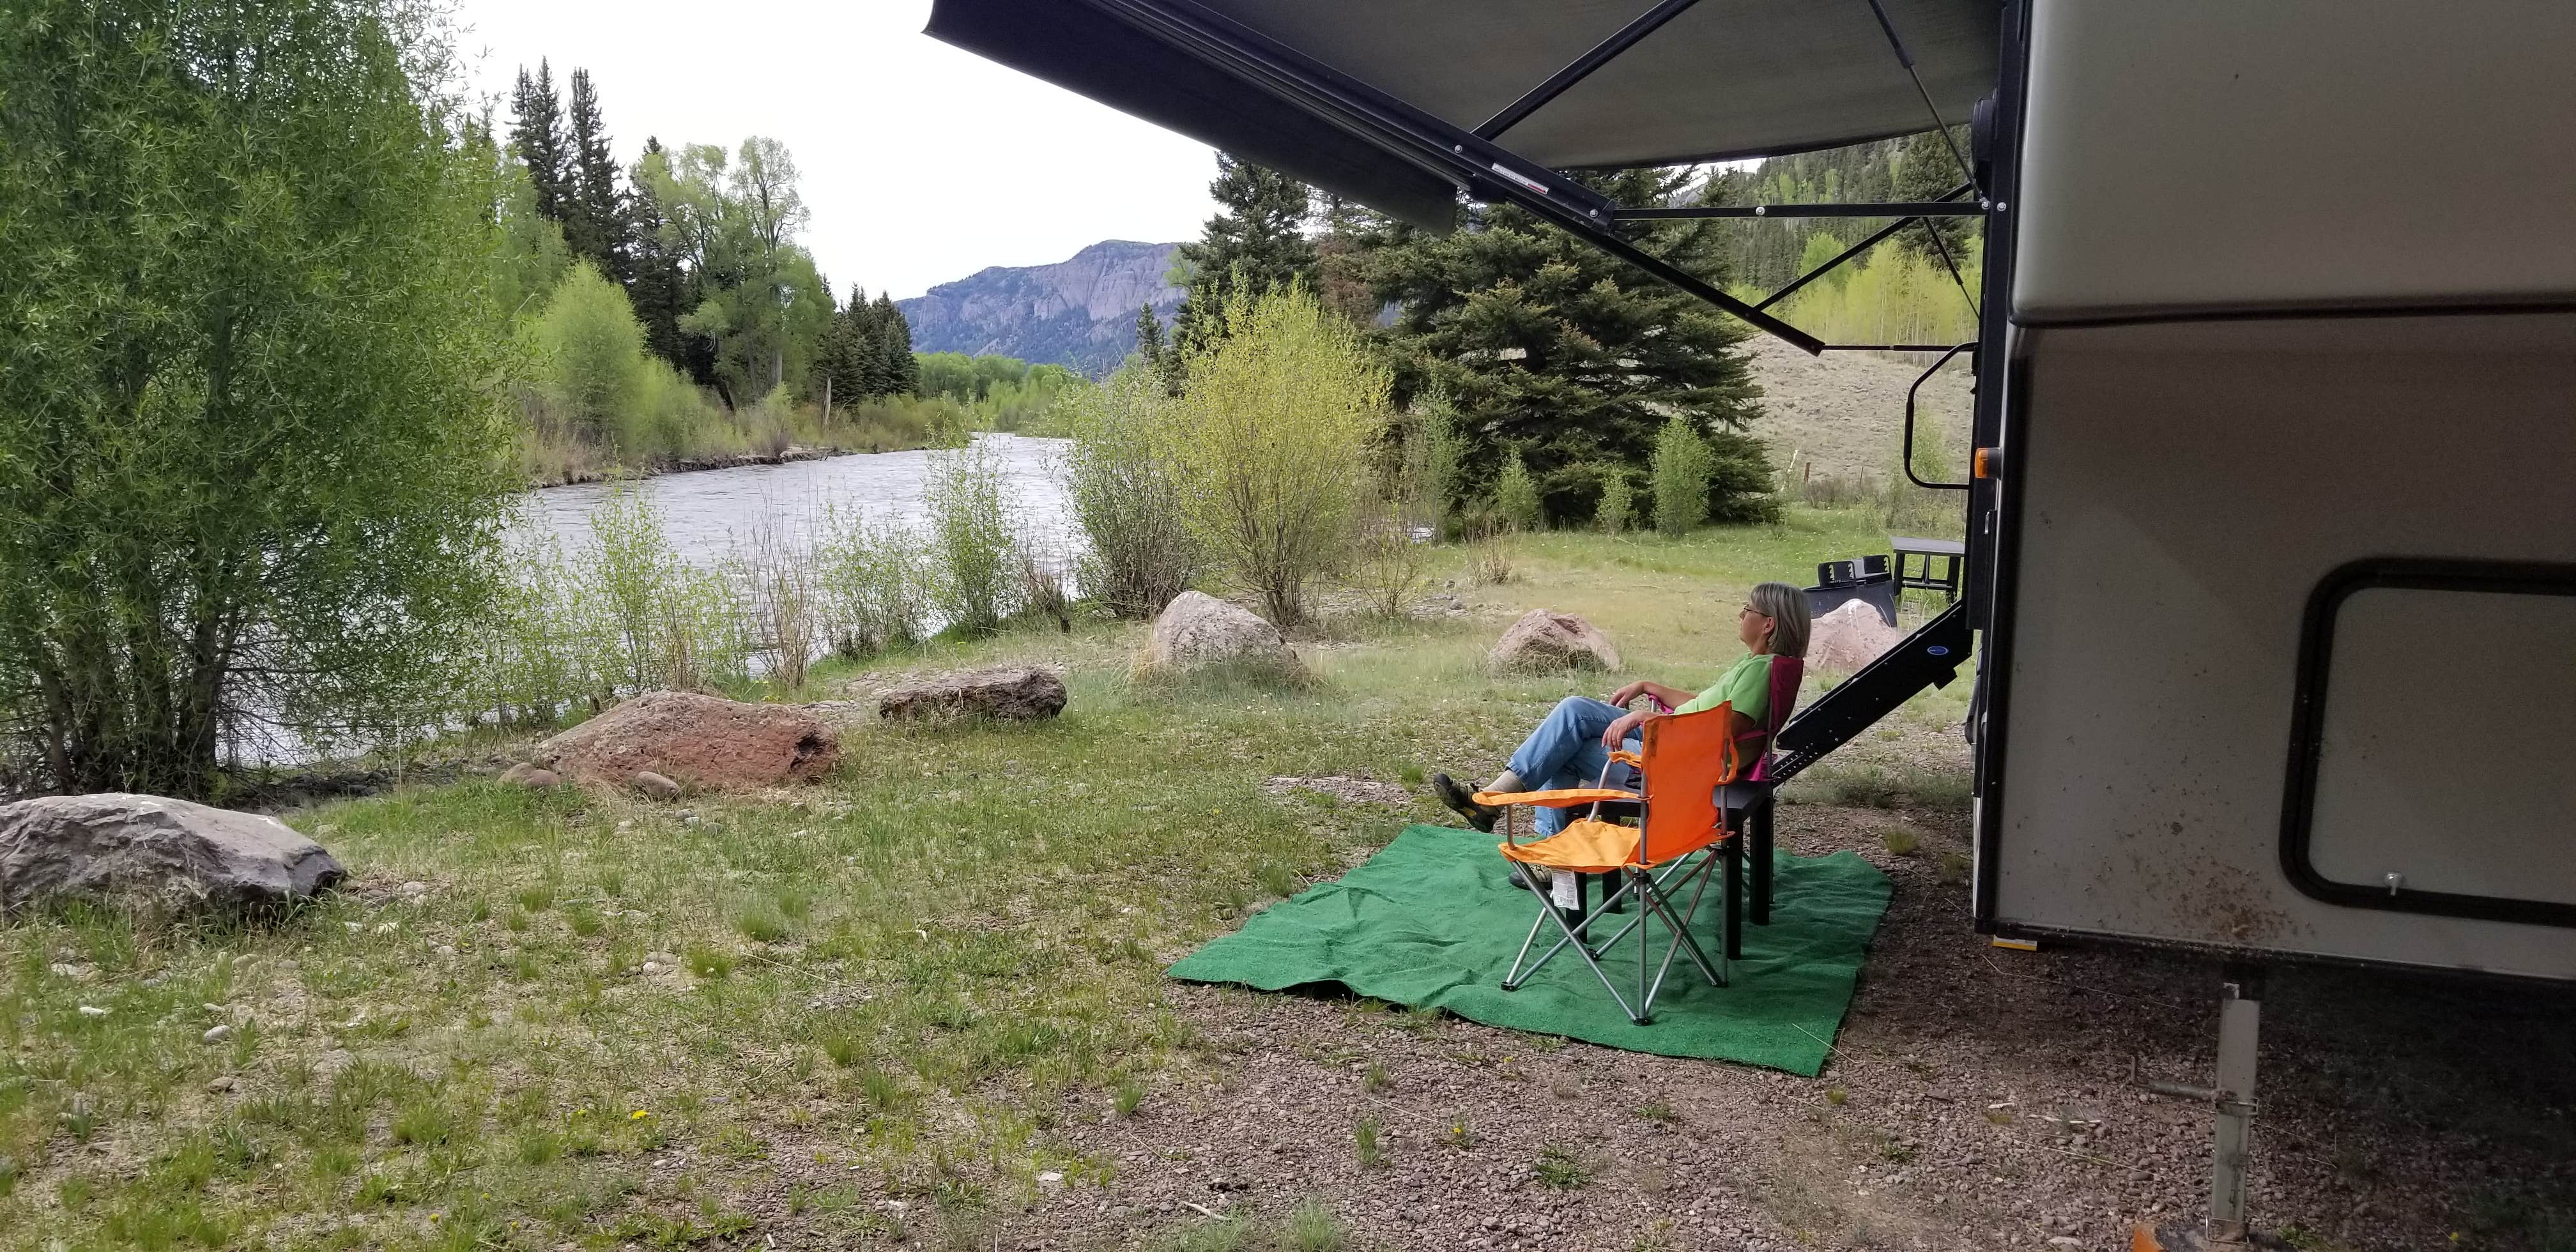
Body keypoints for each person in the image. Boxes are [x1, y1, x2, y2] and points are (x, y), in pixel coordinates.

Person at [1433, 581, 1812, 836]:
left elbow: (1721, 728)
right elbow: (1703, 707)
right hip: (1678, 747)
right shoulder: (1762, 667)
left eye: (1747, 609)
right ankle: (1495, 806)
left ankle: (1519, 828)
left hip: (1677, 767)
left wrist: (1652, 718)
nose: (1740, 614)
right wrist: (1650, 688)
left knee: (1565, 749)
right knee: (1574, 711)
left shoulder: (1761, 671)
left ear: (1768, 624)